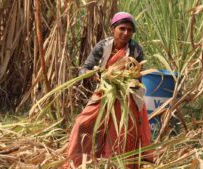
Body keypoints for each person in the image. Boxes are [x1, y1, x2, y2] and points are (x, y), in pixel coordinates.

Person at [63, 12, 152, 169]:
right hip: (104, 93)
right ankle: (76, 163)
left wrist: (126, 80)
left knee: (120, 133)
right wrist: (94, 75)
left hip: (127, 96)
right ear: (113, 29)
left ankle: (116, 165)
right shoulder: (103, 47)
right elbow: (84, 69)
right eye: (122, 28)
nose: (126, 33)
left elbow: (138, 78)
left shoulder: (136, 50)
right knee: (82, 123)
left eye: (130, 30)